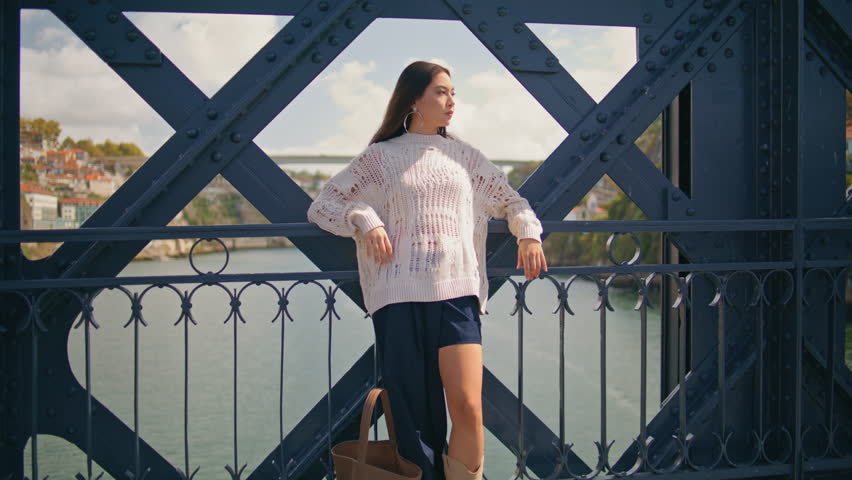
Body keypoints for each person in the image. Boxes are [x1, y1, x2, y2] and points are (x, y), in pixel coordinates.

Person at [307, 61, 547, 480]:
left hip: (457, 294)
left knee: (469, 409)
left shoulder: (465, 157)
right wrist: (364, 215)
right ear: (413, 98)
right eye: (440, 92)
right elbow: (323, 206)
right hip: (397, 296)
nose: (451, 101)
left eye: (454, 92)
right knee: (413, 418)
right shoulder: (380, 157)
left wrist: (528, 233)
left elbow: (512, 202)